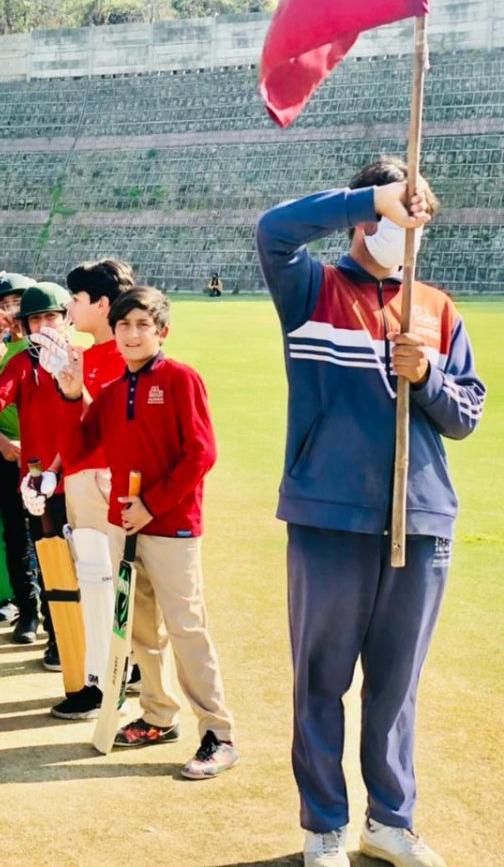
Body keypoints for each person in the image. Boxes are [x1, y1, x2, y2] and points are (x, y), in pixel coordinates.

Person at [256, 157, 483, 867]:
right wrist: (371, 197)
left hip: (420, 520)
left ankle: (391, 820)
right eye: (396, 211)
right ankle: (325, 825)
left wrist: (430, 376)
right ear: (367, 216)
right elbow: (273, 231)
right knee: (322, 678)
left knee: (397, 684)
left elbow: (467, 413)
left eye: (419, 213)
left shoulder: (439, 308)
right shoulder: (311, 287)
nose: (408, 228)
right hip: (329, 517)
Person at [55, 286, 237, 781]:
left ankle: (218, 732)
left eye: (142, 325)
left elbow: (201, 454)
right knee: (139, 629)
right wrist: (72, 396)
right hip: (123, 528)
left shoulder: (180, 380)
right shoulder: (113, 392)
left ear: (162, 332)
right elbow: (78, 449)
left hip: (172, 527)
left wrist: (152, 503)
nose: (132, 334)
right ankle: (158, 715)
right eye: (124, 325)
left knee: (186, 628)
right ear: (113, 333)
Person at [38, 259, 133, 720]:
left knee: (104, 582)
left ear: (101, 304)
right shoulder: (89, 356)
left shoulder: (122, 356)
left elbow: (109, 425)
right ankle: (107, 673)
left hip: (103, 481)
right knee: (93, 580)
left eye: (76, 299)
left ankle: (105, 678)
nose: (69, 308)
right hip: (79, 478)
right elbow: (72, 427)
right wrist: (53, 471)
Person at [0, 282, 75, 683]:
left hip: (79, 477)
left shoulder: (80, 358)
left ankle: (91, 642)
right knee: (49, 561)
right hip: (38, 483)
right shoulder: (20, 361)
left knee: (85, 564)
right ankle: (57, 636)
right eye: (35, 318)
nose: (44, 324)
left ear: (66, 318)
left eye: (51, 315)